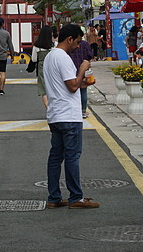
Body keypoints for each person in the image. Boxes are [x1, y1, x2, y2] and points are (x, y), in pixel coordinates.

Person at [43, 23, 99, 209]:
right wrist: (83, 68)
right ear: (69, 39)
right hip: (69, 115)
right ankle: (76, 197)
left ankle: (54, 197)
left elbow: (67, 86)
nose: (78, 46)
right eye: (77, 41)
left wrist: (84, 83)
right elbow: (72, 86)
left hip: (55, 114)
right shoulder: (63, 58)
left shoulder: (50, 56)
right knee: (72, 156)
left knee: (55, 157)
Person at [30, 25, 55, 109]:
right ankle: (54, 107)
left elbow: (33, 59)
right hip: (52, 67)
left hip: (41, 68)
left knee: (43, 90)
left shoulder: (36, 46)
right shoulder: (53, 45)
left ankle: (48, 109)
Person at [68, 37, 94, 119]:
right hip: (83, 70)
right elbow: (90, 55)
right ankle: (83, 110)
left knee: (72, 91)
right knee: (83, 90)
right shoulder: (85, 44)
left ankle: (74, 110)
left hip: (71, 70)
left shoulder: (70, 45)